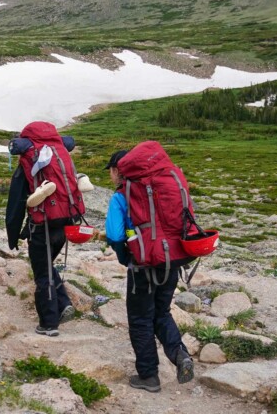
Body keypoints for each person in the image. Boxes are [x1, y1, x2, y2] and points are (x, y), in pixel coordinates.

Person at [104, 149, 194, 392]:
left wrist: (124, 253)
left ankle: (148, 376)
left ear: (117, 170)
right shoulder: (165, 185)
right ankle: (180, 355)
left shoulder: (122, 195)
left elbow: (114, 234)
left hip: (141, 264)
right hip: (171, 260)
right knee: (161, 312)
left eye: (111, 171)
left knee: (140, 319)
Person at [6, 123, 81, 337]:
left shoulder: (27, 163)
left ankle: (48, 324)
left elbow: (15, 205)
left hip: (42, 225)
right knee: (47, 265)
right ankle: (64, 303)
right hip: (66, 221)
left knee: (42, 273)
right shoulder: (61, 158)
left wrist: (13, 236)